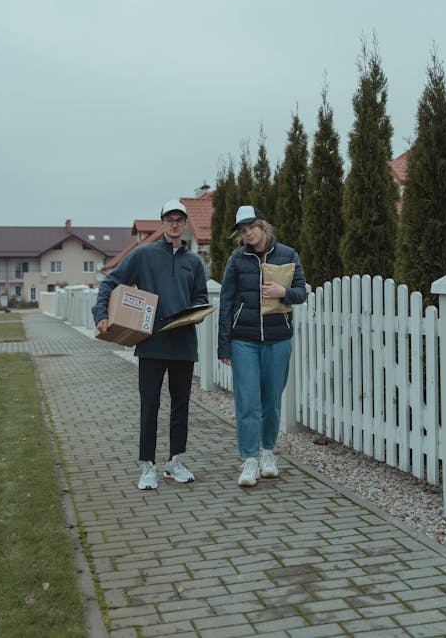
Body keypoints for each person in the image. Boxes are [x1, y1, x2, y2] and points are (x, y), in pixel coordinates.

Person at [92, 199, 208, 491]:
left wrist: (196, 313)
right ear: (162, 223)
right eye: (169, 219)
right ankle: (147, 466)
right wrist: (101, 314)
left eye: (179, 219)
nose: (174, 224)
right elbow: (110, 283)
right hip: (151, 343)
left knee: (181, 406)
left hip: (183, 344)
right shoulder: (143, 256)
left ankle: (174, 461)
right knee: (149, 406)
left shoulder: (194, 262)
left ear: (185, 225)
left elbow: (200, 298)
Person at [217, 205, 306, 487]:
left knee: (271, 401)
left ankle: (268, 453)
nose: (248, 234)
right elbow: (226, 303)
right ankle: (249, 460)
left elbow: (302, 292)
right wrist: (224, 347)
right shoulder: (236, 259)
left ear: (263, 226)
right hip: (244, 341)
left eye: (251, 228)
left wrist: (284, 293)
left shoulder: (288, 255)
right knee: (247, 402)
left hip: (279, 340)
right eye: (243, 231)